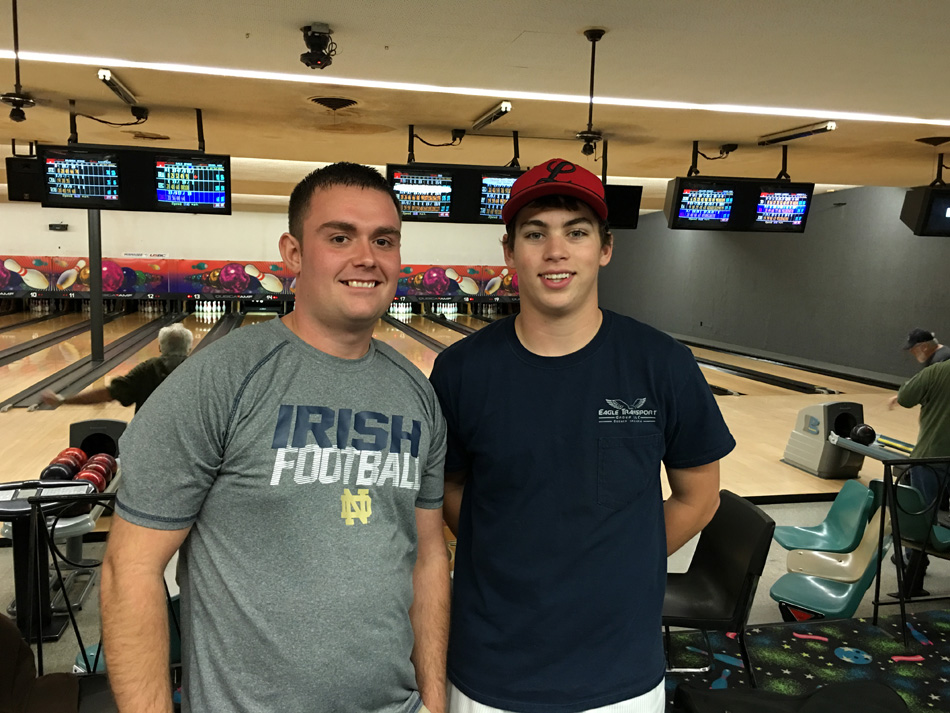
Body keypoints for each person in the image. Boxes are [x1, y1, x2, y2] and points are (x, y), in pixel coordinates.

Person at [100, 163, 449, 713]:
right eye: (340, 237)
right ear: (292, 253)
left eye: (384, 240)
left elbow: (428, 555)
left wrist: (434, 701)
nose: (367, 257)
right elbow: (129, 570)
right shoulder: (218, 380)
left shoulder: (417, 394)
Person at [429, 158, 736, 713]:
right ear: (508, 252)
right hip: (489, 670)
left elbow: (700, 496)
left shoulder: (662, 364)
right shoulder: (460, 371)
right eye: (534, 233)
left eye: (576, 232)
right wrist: (509, 552)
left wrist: (616, 562)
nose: (556, 251)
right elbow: (447, 488)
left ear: (605, 247)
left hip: (620, 672)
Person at [888, 358, 950, 589]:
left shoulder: (936, 371)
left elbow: (905, 398)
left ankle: (914, 573)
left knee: (922, 514)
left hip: (931, 455)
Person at [41, 322, 194, 413]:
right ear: (189, 349)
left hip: (148, 443)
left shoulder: (146, 370)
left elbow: (106, 394)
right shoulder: (202, 371)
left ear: (160, 348)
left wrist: (63, 400)